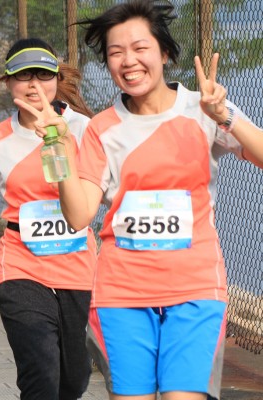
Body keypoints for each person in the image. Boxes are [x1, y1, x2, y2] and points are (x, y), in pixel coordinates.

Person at [16, 1, 263, 400]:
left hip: (196, 288)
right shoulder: (101, 129)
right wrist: (57, 146)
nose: (128, 61)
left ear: (164, 53)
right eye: (116, 52)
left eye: (139, 48)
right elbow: (79, 216)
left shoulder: (203, 109)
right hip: (122, 293)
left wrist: (225, 116)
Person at [0, 38, 97, 400]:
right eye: (23, 76)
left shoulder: (85, 129)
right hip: (21, 265)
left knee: (74, 378)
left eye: (43, 75)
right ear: (7, 83)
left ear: (57, 79)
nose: (34, 85)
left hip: (78, 266)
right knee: (40, 371)